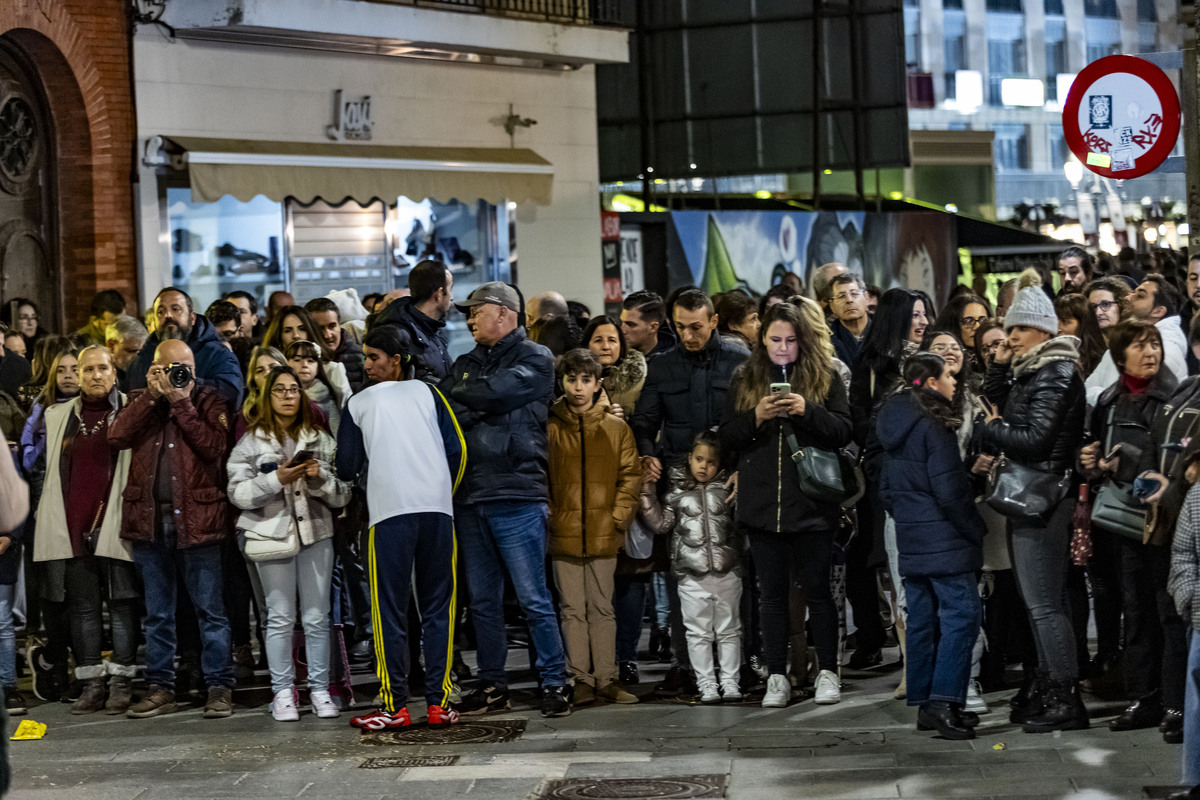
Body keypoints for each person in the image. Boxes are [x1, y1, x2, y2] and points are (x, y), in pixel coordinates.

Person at [440, 281, 572, 718]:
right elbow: (449, 405)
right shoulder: (464, 363)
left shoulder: (536, 357)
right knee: (482, 601)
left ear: (503, 312)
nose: (469, 319)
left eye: (475, 311)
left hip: (517, 491)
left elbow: (491, 394)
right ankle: (493, 684)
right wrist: (479, 396)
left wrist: (475, 395)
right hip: (471, 493)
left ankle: (555, 681)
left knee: (534, 596)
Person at [719, 301, 852, 707]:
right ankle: (777, 674)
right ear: (762, 339)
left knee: (818, 591)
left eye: (790, 341)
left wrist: (806, 410)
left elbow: (844, 430)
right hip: (762, 506)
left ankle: (828, 671)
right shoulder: (744, 377)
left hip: (811, 504)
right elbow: (726, 436)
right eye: (775, 339)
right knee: (771, 595)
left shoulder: (825, 375)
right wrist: (756, 417)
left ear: (803, 340)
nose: (782, 348)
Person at [338, 325, 466, 730]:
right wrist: (443, 491)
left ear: (396, 361)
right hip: (437, 512)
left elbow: (345, 466)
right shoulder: (431, 394)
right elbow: (458, 450)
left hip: (389, 515)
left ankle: (394, 706)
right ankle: (439, 702)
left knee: (388, 611)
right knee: (438, 609)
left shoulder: (358, 402)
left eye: (374, 357)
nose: (367, 365)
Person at [981, 268, 1088, 733]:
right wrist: (1001, 366)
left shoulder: (1057, 371)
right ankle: (1050, 692)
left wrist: (990, 428)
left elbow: (1035, 437)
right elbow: (997, 396)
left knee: (1045, 605)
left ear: (1043, 327)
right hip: (1034, 495)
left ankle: (1066, 700)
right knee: (1041, 603)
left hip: (1043, 498)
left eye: (1018, 329)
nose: (1010, 336)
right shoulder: (1035, 369)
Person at [109, 339, 236, 719]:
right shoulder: (140, 399)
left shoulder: (210, 400)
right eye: (170, 367)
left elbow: (214, 446)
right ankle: (160, 687)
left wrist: (182, 403)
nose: (181, 374)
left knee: (211, 611)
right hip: (149, 523)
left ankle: (219, 687)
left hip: (199, 522)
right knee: (158, 614)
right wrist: (151, 397)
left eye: (186, 366)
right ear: (154, 369)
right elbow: (116, 436)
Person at [631, 288, 747, 695]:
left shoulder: (740, 361)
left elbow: (751, 422)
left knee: (736, 576)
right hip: (679, 483)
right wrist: (648, 456)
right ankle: (689, 667)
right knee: (685, 579)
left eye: (696, 327)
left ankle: (741, 667)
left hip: (729, 482)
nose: (688, 335)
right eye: (680, 327)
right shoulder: (662, 367)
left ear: (714, 321)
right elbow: (644, 422)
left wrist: (745, 468)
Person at [228, 365, 350, 722]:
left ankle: (320, 689)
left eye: (293, 389)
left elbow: (343, 495)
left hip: (316, 533)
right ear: (267, 396)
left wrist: (320, 479)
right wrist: (274, 480)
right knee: (279, 617)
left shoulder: (320, 439)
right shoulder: (250, 442)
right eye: (279, 390)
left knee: (317, 616)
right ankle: (283, 692)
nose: (287, 396)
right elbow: (237, 494)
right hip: (270, 535)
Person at [877, 352, 985, 740]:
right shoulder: (934, 424)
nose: (954, 382)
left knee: (923, 619)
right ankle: (943, 701)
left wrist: (910, 517)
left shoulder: (894, 422)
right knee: (962, 616)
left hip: (912, 536)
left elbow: (886, 490)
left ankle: (927, 702)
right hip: (944, 538)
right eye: (949, 376)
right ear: (932, 382)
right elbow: (950, 490)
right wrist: (974, 528)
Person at [1079, 320, 1178, 735]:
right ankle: (1144, 698)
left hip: (1167, 523)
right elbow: (1096, 450)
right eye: (1139, 346)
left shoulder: (1175, 397)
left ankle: (1177, 705)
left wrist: (1132, 463)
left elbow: (1175, 460)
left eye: (1154, 344)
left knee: (1168, 611)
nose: (1150, 352)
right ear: (1120, 358)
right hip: (1123, 522)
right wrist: (1091, 460)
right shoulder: (1109, 400)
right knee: (1135, 610)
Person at [32, 347, 138, 715]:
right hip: (72, 523)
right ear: (77, 375)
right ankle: (92, 684)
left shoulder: (131, 409)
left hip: (116, 521)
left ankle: (121, 683)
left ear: (114, 372)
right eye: (87, 369)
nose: (95, 375)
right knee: (84, 609)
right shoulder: (58, 414)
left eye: (102, 368)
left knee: (122, 606)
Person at [547, 349, 641, 706]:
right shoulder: (551, 427)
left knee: (602, 608)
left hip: (603, 531)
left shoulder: (616, 428)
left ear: (598, 384)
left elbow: (630, 476)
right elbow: (542, 477)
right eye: (571, 379)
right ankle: (580, 678)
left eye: (586, 380)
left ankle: (606, 677)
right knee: (572, 609)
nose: (578, 387)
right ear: (562, 382)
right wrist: (553, 517)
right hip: (564, 531)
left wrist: (617, 517)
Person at [846, 288, 932, 669]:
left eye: (925, 314)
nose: (923, 322)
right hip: (886, 481)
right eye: (915, 315)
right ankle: (909, 657)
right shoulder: (872, 365)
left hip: (928, 478)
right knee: (894, 572)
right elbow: (859, 420)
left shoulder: (933, 361)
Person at [641, 431, 742, 704]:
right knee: (697, 633)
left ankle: (730, 682)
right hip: (690, 576)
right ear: (689, 458)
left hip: (727, 572)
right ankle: (707, 684)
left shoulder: (728, 488)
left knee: (729, 629)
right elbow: (661, 524)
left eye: (710, 462)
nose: (703, 466)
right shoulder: (676, 490)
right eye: (699, 459)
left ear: (720, 464)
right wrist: (646, 491)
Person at [125, 287, 244, 410]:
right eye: (160, 312)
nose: (168, 315)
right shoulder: (141, 361)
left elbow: (232, 397)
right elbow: (130, 408)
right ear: (154, 321)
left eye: (176, 309)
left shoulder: (218, 355)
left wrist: (187, 382)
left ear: (192, 318)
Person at [1087, 274, 1188, 404]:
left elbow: (1132, 401)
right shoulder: (1128, 338)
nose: (1127, 298)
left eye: (1139, 296)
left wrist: (1103, 398)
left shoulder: (1167, 349)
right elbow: (1088, 388)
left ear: (1158, 311)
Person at [1168, 446, 1200, 796]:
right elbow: (1183, 553)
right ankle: (1196, 780)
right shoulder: (1197, 496)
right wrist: (1189, 595)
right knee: (1197, 701)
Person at [368, 260, 454, 381]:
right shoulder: (396, 334)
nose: (452, 297)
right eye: (450, 289)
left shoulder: (434, 331)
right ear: (439, 294)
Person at [262, 306, 352, 402]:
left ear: (310, 331)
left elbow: (345, 410)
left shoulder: (332, 370)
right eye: (288, 330)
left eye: (302, 329)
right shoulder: (269, 370)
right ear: (279, 337)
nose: (296, 335)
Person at [583, 315, 646, 420]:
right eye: (598, 340)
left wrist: (623, 420)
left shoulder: (639, 381)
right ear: (587, 345)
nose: (606, 347)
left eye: (612, 340)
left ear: (621, 345)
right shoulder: (576, 380)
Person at [286, 340, 346, 436]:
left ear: (318, 368)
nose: (304, 365)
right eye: (297, 360)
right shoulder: (282, 397)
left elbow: (339, 435)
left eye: (310, 361)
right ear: (287, 364)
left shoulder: (325, 400)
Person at [305, 297, 365, 393]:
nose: (327, 335)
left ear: (339, 325)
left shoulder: (362, 358)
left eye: (332, 326)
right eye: (320, 328)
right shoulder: (302, 361)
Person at [1054, 293, 1107, 377]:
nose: (1057, 329)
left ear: (1084, 324)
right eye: (1053, 321)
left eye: (1065, 321)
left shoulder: (1102, 362)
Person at [828, 273, 871, 367]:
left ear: (866, 298)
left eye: (854, 293)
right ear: (832, 306)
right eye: (841, 296)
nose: (849, 300)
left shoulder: (886, 333)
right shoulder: (826, 343)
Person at [620, 290, 673, 360]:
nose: (622, 330)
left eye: (631, 324)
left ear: (652, 328)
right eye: (621, 322)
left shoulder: (673, 363)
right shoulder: (616, 359)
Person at [105, 315, 148, 393]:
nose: (138, 358)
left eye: (142, 352)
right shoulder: (100, 376)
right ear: (111, 345)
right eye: (131, 351)